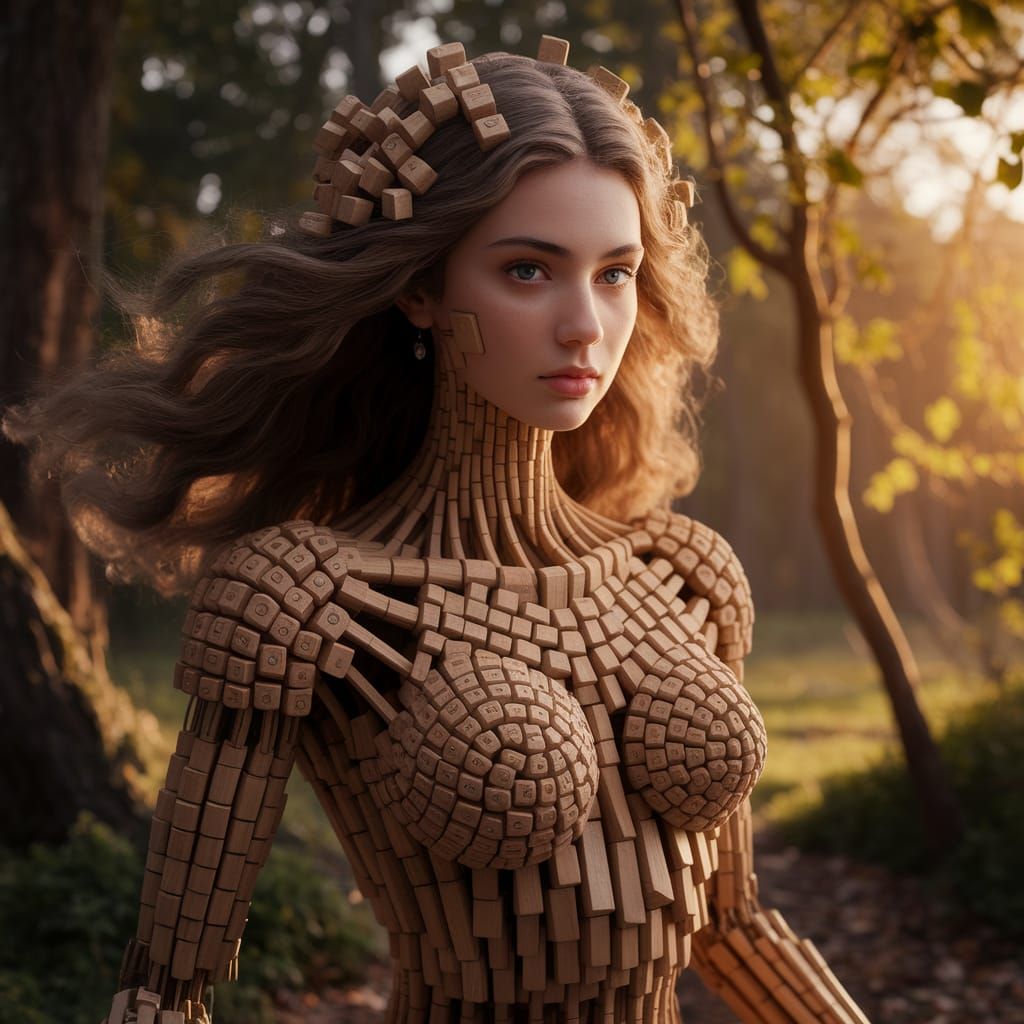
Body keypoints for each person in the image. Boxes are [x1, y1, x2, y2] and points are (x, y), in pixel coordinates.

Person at [5, 36, 869, 1024]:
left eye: (615, 273)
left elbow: (734, 929)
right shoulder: (304, 598)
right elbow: (167, 989)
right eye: (529, 270)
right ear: (420, 287)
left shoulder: (684, 574)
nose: (585, 325)